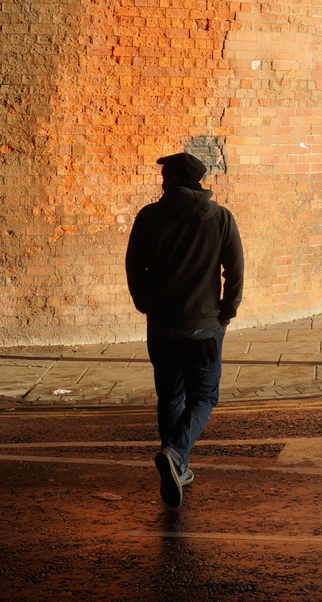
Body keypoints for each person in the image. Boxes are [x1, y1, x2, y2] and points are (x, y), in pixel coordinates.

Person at [125, 152, 244, 508]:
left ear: (176, 178)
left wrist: (145, 305)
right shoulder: (221, 218)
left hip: (162, 326)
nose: (161, 179)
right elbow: (235, 272)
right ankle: (176, 456)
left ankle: (176, 464)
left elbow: (134, 266)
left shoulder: (149, 217)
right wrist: (226, 314)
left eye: (166, 173)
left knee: (170, 397)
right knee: (204, 398)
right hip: (204, 328)